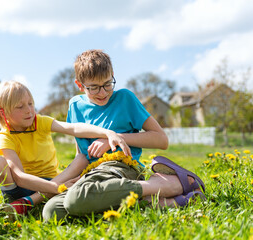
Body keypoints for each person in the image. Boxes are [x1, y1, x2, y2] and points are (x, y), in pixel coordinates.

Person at [42, 49, 206, 221]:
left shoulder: (125, 99)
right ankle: (157, 202)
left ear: (112, 75)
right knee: (52, 212)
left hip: (120, 167)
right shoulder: (75, 106)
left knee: (75, 200)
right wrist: (69, 180)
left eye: (107, 84)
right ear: (80, 85)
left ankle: (161, 185)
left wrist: (114, 139)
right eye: (94, 88)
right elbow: (81, 154)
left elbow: (161, 139)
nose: (103, 93)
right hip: (91, 174)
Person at [0, 81, 131, 215]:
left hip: (51, 179)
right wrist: (56, 188)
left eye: (30, 103)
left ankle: (29, 202)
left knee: (82, 159)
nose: (29, 110)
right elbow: (20, 177)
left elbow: (73, 128)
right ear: (3, 113)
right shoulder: (5, 136)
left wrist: (107, 132)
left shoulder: (39, 122)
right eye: (20, 107)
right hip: (22, 187)